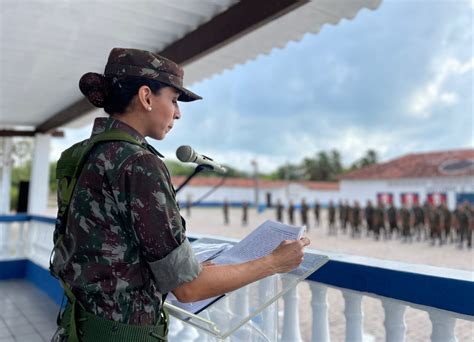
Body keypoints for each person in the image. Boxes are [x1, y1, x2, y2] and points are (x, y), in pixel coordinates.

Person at [50, 48, 310, 341]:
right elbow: (190, 290)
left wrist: (185, 270)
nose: (177, 113)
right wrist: (273, 262)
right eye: (173, 100)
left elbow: (108, 251)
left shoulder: (81, 154)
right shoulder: (138, 164)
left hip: (78, 327)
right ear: (146, 97)